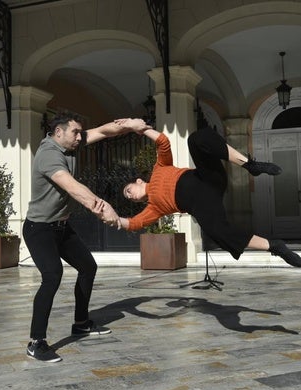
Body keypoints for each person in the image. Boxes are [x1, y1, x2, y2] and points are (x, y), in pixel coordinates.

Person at [23, 111, 150, 362]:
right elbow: (73, 188)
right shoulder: (49, 154)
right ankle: (36, 341)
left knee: (87, 267)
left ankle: (81, 323)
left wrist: (130, 125)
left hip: (62, 227)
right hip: (40, 229)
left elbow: (103, 131)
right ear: (58, 132)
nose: (80, 137)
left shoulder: (70, 144)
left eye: (81, 133)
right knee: (52, 276)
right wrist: (105, 208)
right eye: (75, 133)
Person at [116, 126, 301, 267]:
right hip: (203, 205)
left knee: (196, 139)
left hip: (207, 180)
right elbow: (134, 223)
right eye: (128, 198)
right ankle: (275, 246)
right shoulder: (153, 207)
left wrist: (139, 128)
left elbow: (163, 141)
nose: (130, 196)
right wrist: (114, 219)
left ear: (139, 181)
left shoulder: (159, 168)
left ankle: (250, 165)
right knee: (217, 232)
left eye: (128, 191)